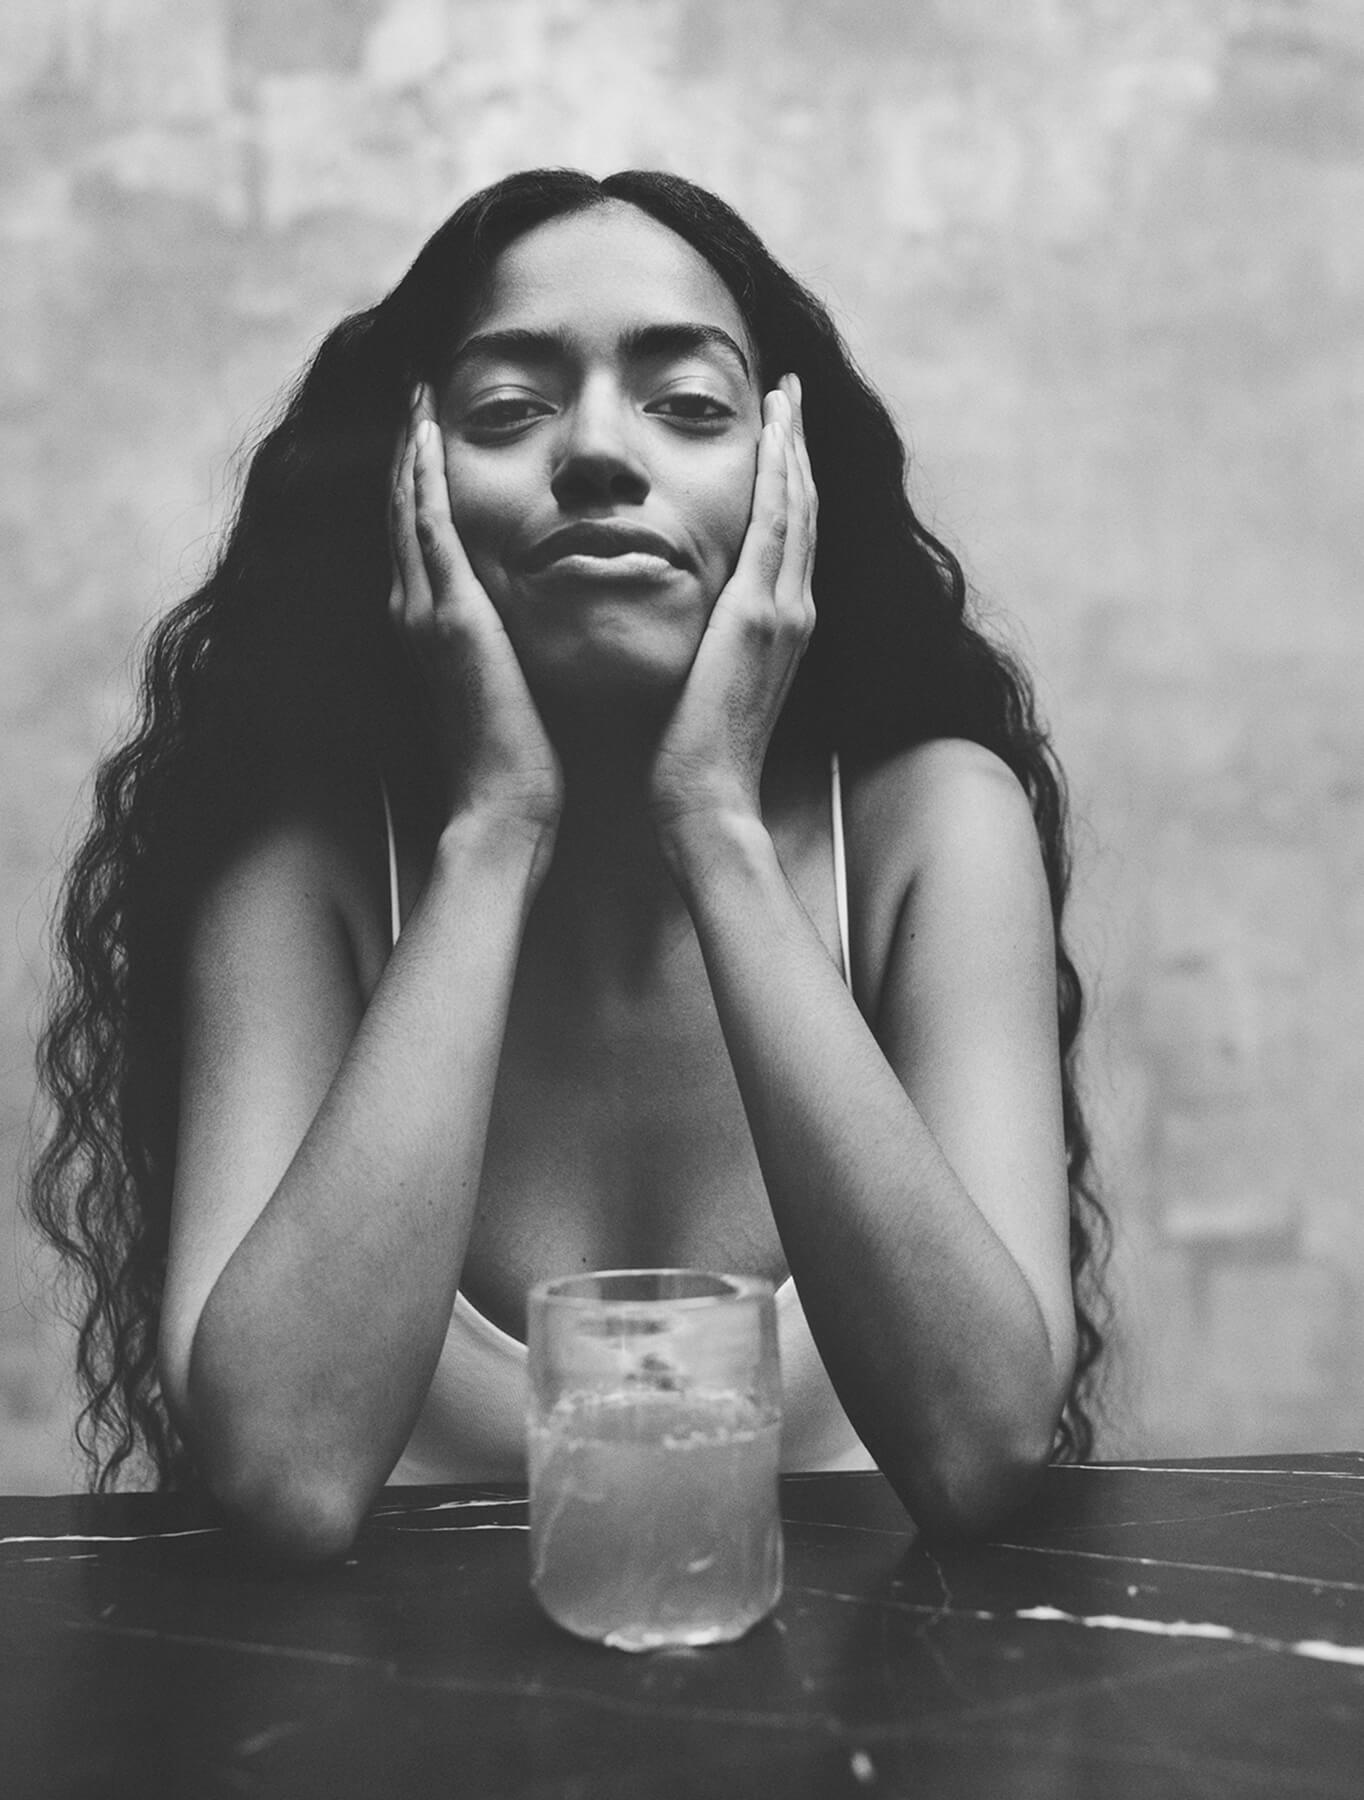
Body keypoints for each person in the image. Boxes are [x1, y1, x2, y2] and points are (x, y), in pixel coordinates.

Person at [30, 168, 1106, 1560]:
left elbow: (980, 1453)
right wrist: (495, 833)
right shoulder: (302, 859)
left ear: (793, 484)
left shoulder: (933, 827)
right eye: (504, 410)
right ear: (407, 486)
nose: (599, 453)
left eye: (694, 407)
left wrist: (711, 818)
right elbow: (284, 1473)